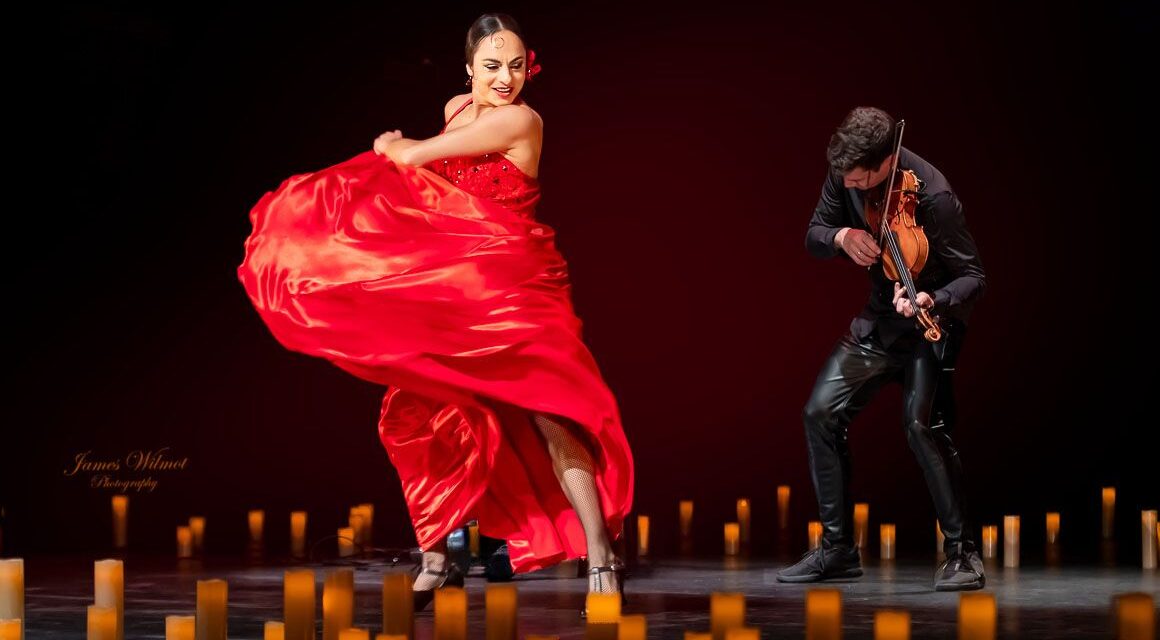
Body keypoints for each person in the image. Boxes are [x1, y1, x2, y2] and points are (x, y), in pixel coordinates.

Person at [237, 13, 633, 610]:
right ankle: (438, 560)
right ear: (469, 68)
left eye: (517, 65)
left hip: (515, 285)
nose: (506, 77)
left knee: (553, 415)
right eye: (493, 66)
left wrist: (398, 148)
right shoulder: (457, 106)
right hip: (457, 286)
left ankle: (600, 556)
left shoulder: (523, 119)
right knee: (422, 413)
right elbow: (431, 189)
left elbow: (420, 157)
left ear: (530, 67)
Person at [776, 107, 986, 591]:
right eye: (842, 177)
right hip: (881, 319)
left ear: (886, 161)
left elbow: (974, 278)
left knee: (921, 426)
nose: (848, 185)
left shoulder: (935, 197)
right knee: (819, 412)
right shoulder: (844, 170)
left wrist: (935, 297)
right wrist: (841, 235)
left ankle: (962, 554)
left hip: (933, 321)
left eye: (857, 178)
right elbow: (814, 234)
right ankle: (837, 550)